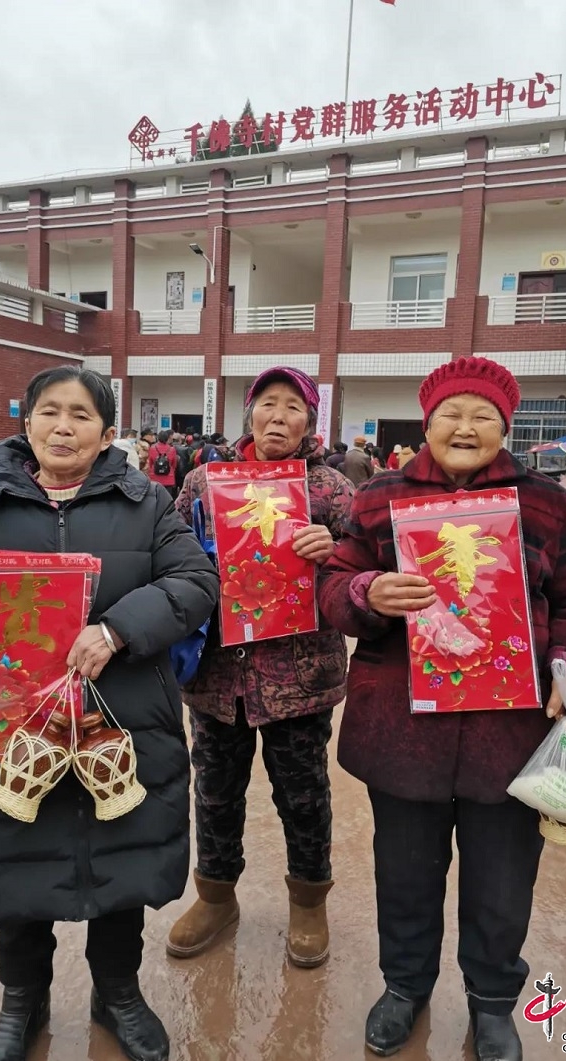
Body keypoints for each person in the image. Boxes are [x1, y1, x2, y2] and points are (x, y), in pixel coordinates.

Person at [0, 367, 218, 1061]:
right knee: (17, 874)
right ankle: (23, 1002)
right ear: (27, 424)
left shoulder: (147, 503)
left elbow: (196, 582)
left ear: (108, 434)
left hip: (121, 727)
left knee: (120, 878)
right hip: (13, 734)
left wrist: (115, 630)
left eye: (82, 415)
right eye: (51, 411)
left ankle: (119, 995)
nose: (64, 426)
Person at [318, 356, 566, 1061]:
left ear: (505, 427)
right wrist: (366, 594)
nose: (465, 426)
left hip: (508, 734)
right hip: (403, 732)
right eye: (452, 412)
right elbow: (332, 582)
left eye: (484, 415)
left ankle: (491, 1003)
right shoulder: (378, 494)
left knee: (502, 883)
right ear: (427, 421)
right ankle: (405, 987)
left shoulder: (545, 501)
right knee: (406, 874)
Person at [166, 366, 355, 970]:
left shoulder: (330, 489)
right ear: (249, 413)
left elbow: (365, 570)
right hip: (218, 677)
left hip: (298, 678)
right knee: (215, 793)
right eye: (267, 404)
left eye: (293, 407)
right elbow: (169, 558)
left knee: (302, 794)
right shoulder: (203, 481)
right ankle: (216, 898)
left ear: (311, 421)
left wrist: (335, 552)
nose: (279, 416)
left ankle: (308, 904)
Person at [148, 429, 179, 499]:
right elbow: (174, 464)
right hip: (168, 477)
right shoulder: (172, 449)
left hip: (155, 477)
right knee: (167, 499)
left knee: (155, 498)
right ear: (167, 438)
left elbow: (150, 463)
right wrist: (171, 470)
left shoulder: (152, 448)